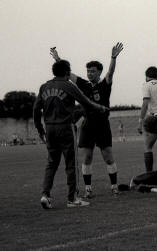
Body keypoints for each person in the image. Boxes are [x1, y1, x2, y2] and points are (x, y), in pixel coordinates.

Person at [50, 43, 123, 199]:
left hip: (102, 125)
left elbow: (111, 72)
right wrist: (57, 59)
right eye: (88, 71)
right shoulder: (83, 84)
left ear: (99, 72)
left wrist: (113, 57)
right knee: (87, 157)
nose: (89, 73)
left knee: (108, 157)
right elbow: (67, 73)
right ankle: (88, 189)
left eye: (93, 71)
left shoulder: (105, 84)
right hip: (88, 125)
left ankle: (114, 186)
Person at [33, 60, 108, 209]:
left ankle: (45, 195)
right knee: (71, 164)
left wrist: (40, 130)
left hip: (49, 128)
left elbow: (36, 110)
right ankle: (72, 198)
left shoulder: (44, 87)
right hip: (65, 128)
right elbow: (85, 102)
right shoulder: (68, 86)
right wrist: (101, 108)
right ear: (67, 71)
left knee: (51, 163)